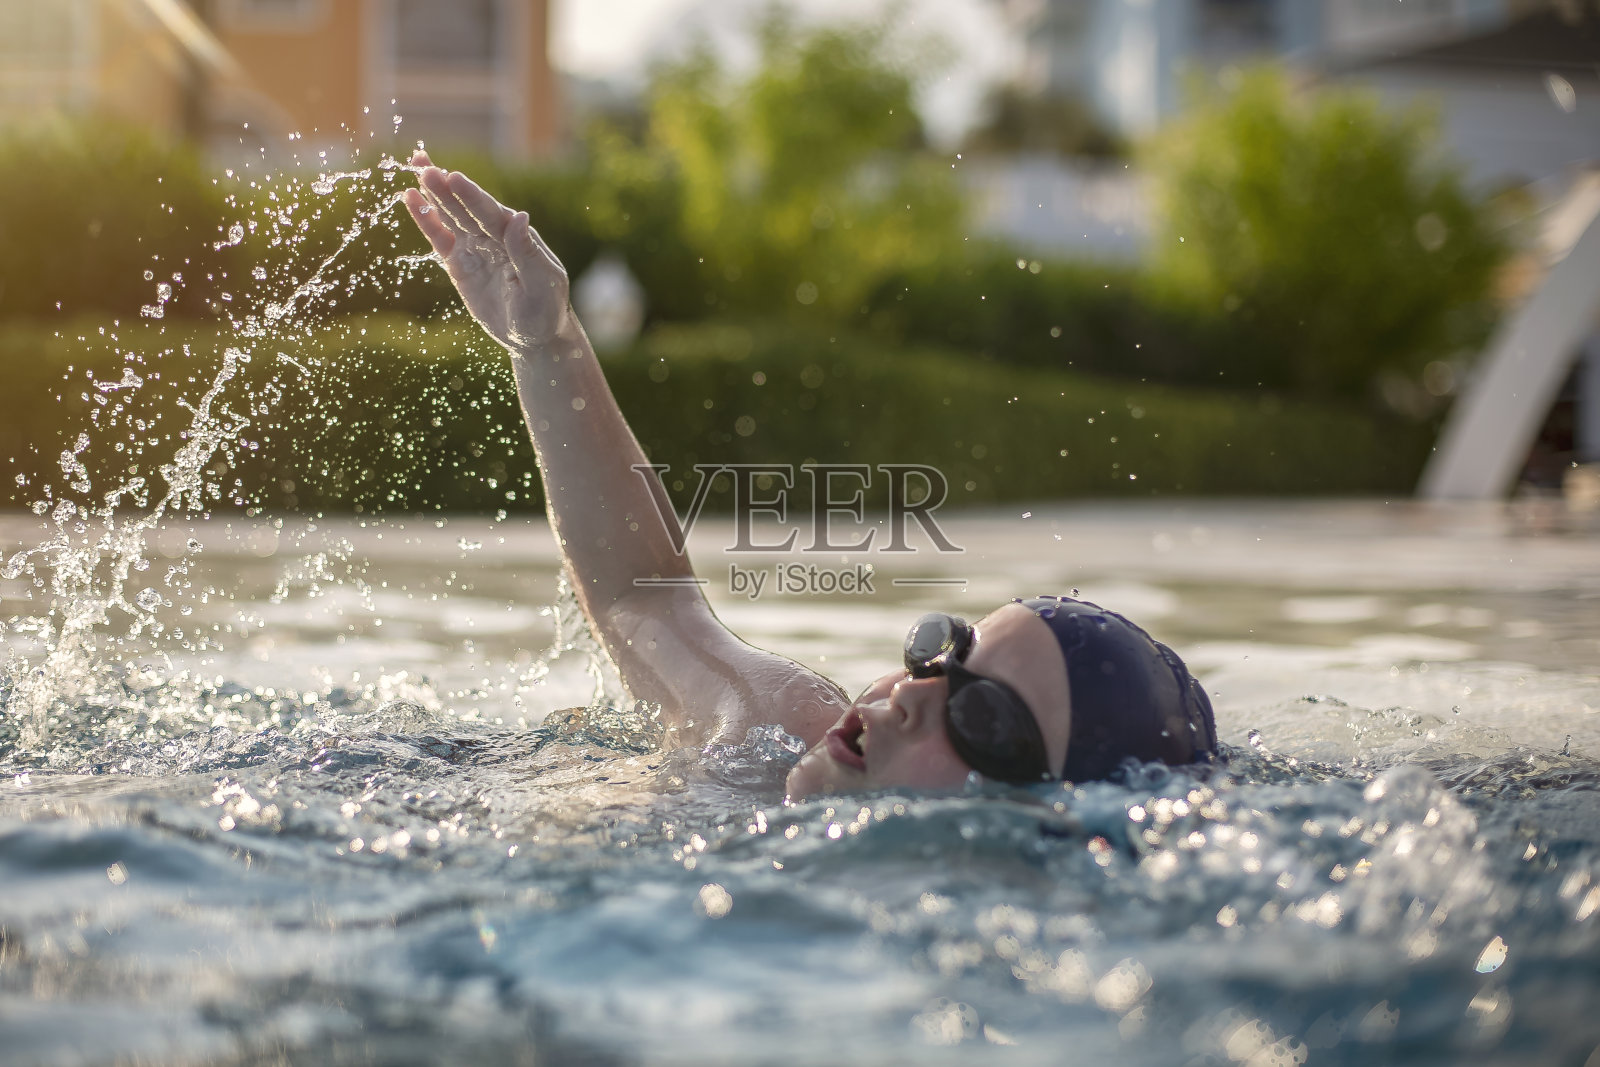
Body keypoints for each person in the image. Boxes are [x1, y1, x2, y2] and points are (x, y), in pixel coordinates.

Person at [402, 153, 1219, 801]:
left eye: (982, 718)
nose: (908, 695)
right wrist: (546, 344)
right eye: (939, 656)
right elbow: (641, 599)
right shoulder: (783, 727)